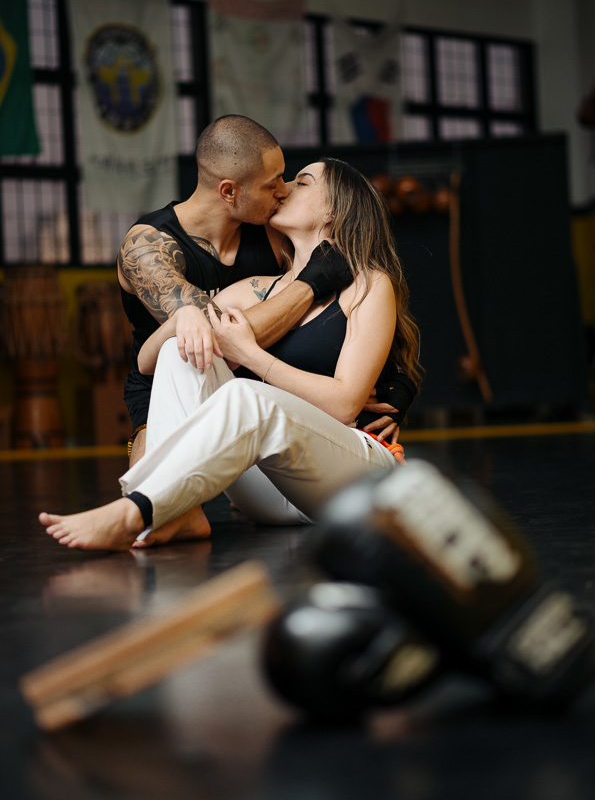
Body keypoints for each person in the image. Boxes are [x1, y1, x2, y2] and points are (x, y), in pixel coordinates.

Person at [41, 158, 422, 552]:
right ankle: (178, 513)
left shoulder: (368, 284)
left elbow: (344, 405)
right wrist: (185, 317)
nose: (285, 189)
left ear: (334, 211)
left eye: (302, 182)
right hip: (272, 491)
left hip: (351, 483)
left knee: (246, 396)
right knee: (181, 349)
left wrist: (252, 356)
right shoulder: (253, 289)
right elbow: (147, 362)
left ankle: (135, 512)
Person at [119, 114, 404, 465]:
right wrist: (310, 284)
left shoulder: (268, 227)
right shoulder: (148, 246)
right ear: (229, 191)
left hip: (259, 394)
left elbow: (361, 313)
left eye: (290, 179)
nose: (283, 190)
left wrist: (399, 382)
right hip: (170, 380)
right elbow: (214, 340)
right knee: (157, 454)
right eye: (273, 184)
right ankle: (149, 496)